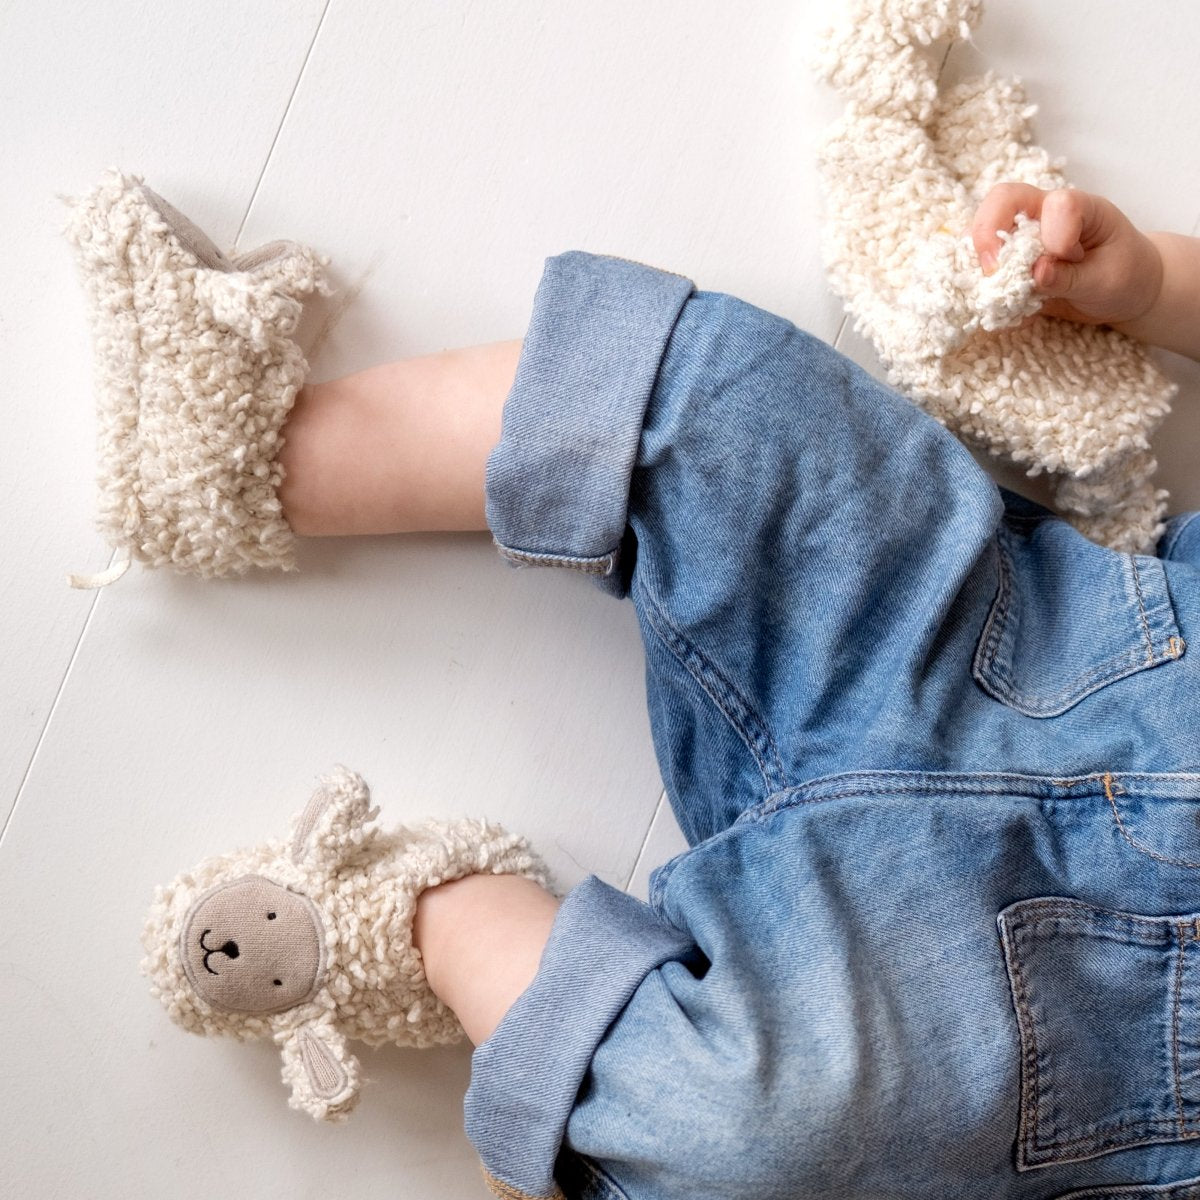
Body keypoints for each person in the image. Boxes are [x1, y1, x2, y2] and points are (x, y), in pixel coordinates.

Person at [252, 182, 1200, 1200]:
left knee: (738, 1137)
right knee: (727, 405)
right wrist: (1148, 287)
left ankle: (422, 916)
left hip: (964, 1050)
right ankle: (259, 454)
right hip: (986, 647)